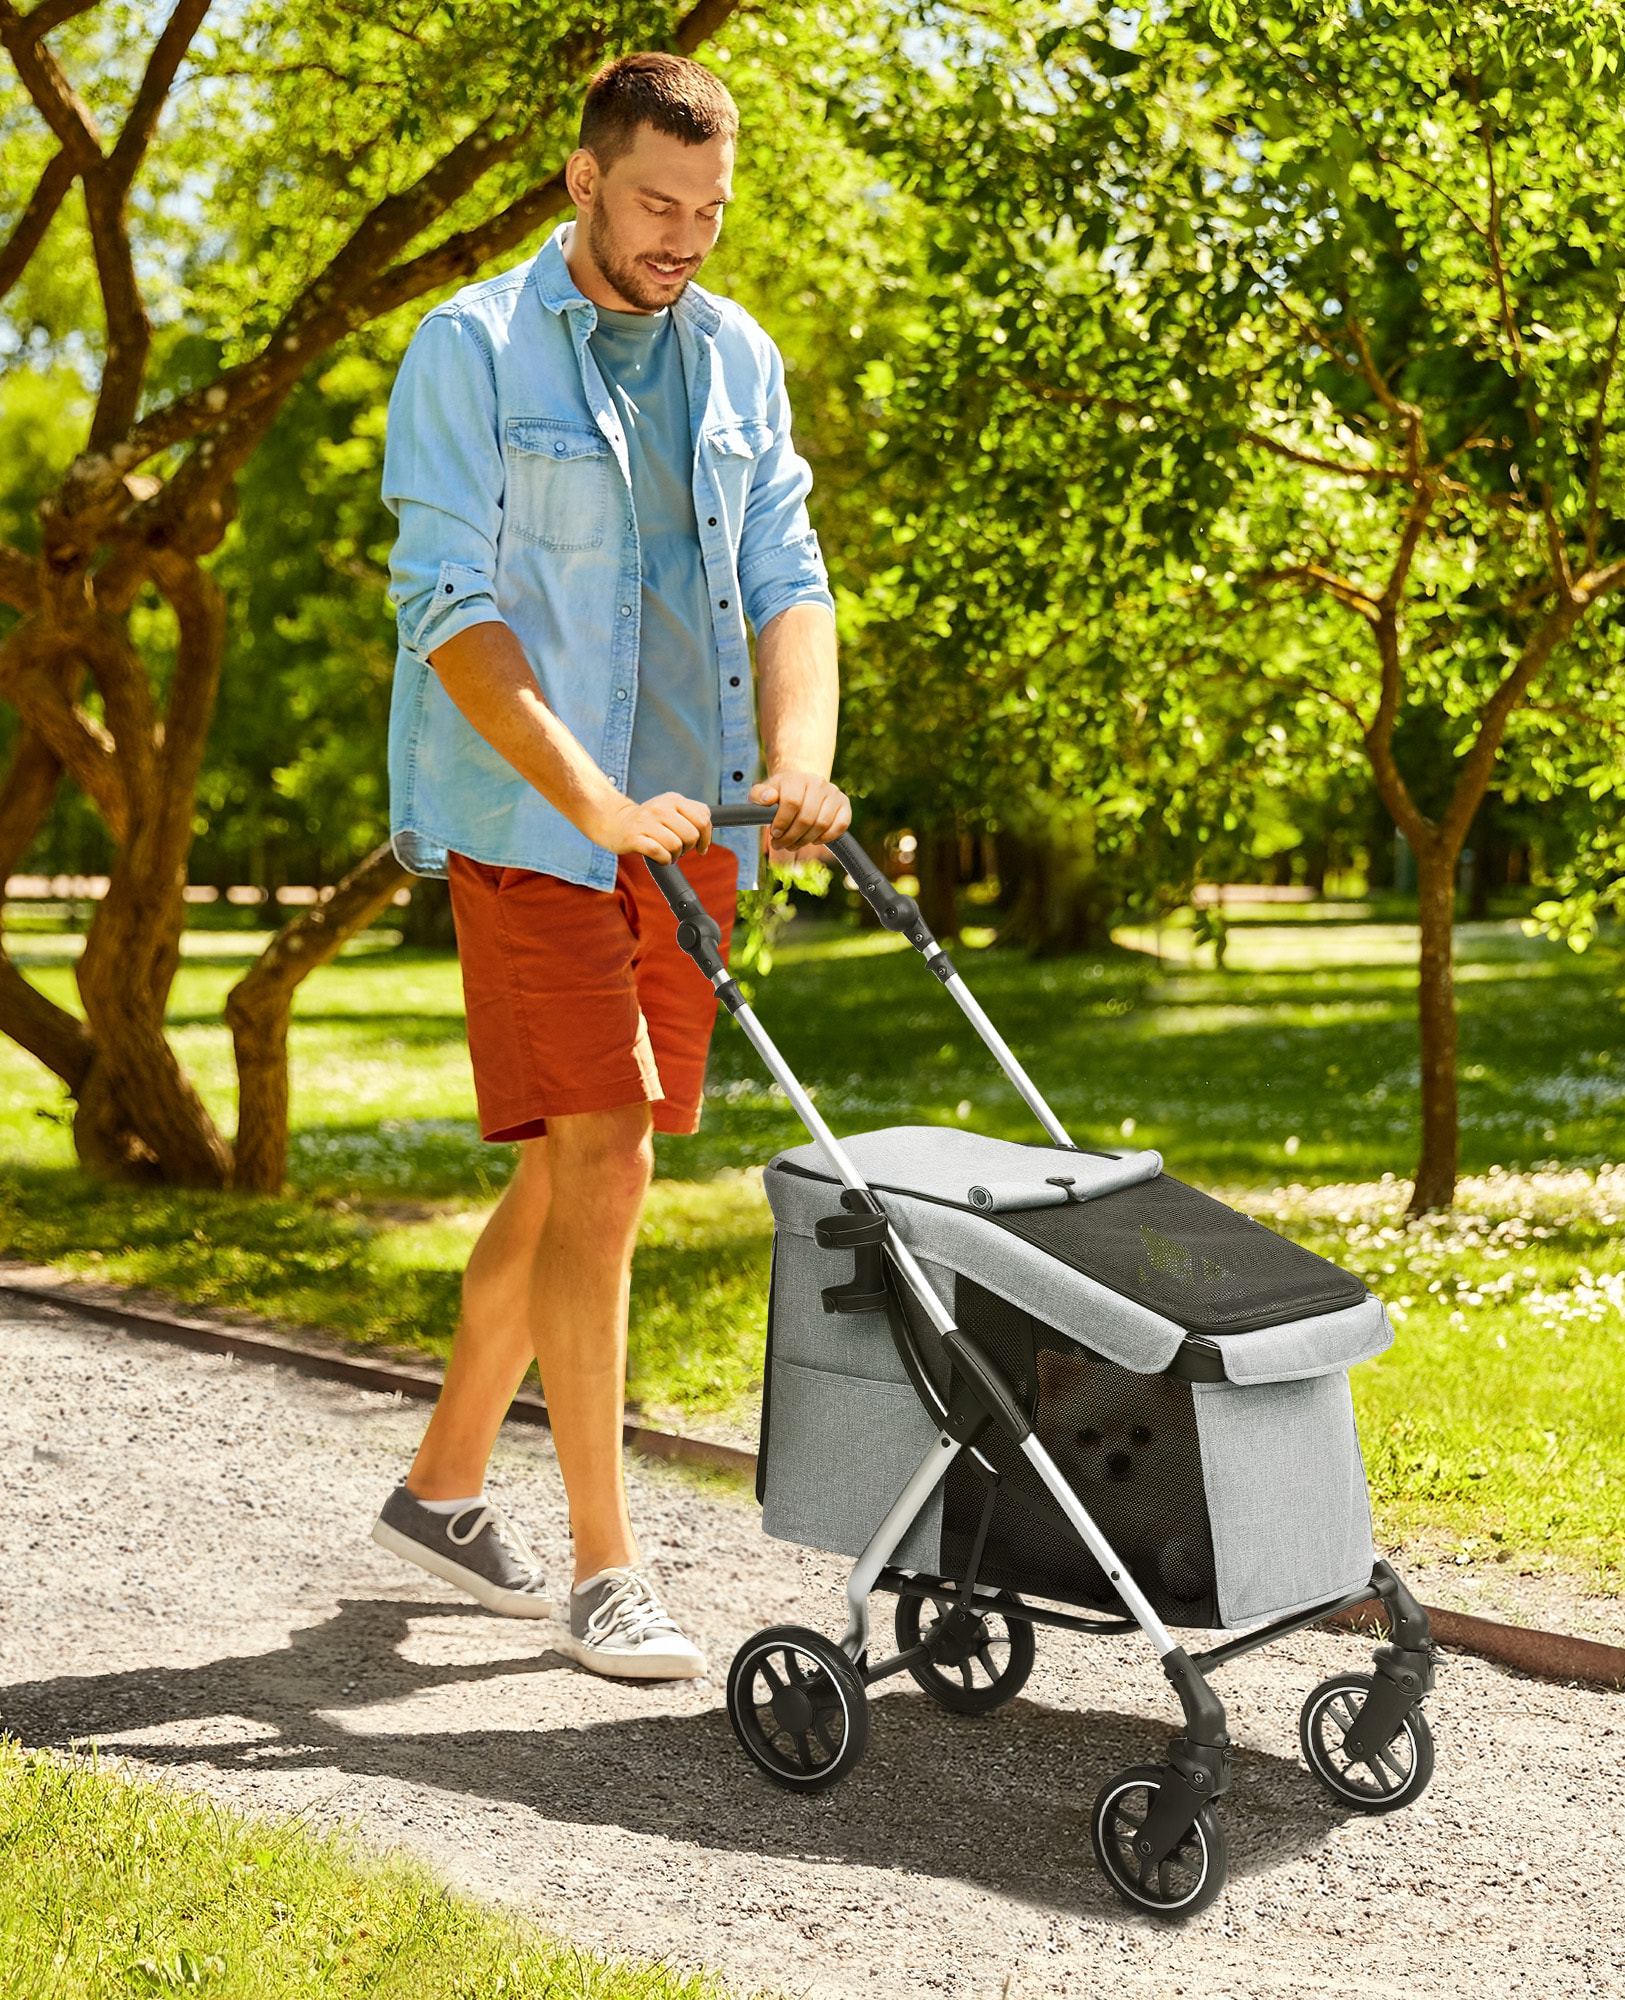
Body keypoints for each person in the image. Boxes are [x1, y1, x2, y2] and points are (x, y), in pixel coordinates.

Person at [367, 51, 849, 1679]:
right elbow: (450, 609)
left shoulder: (734, 360)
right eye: (658, 204)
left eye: (711, 212)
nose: (686, 239)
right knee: (613, 1165)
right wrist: (587, 802)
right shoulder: (473, 350)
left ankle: (441, 1492)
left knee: (573, 1166)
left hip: (690, 829)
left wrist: (796, 758)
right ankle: (606, 1564)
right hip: (532, 826)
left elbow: (788, 571)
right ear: (583, 180)